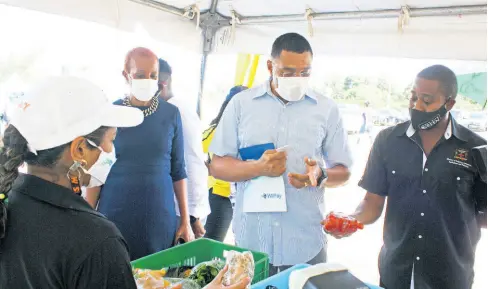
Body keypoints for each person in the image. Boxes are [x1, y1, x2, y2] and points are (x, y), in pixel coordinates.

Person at [328, 65, 487, 289]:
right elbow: (371, 204)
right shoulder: (387, 140)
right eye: (413, 97)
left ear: (449, 103)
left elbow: (484, 215)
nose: (417, 106)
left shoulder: (477, 148)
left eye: (427, 100)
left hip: (450, 275)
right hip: (396, 272)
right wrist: (351, 220)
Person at [209, 32, 352, 275]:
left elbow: (344, 171)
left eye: (304, 72)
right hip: (252, 243)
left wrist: (321, 173)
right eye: (287, 73)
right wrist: (258, 168)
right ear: (269, 67)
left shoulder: (326, 109)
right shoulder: (241, 104)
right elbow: (217, 166)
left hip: (306, 243)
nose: (296, 79)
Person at [0, 76, 144, 288]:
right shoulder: (97, 240)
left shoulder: (7, 200)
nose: (110, 152)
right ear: (79, 149)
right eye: (110, 141)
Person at [85, 47, 194, 261]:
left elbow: (178, 170)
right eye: (140, 75)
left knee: (158, 274)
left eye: (153, 75)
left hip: (159, 212)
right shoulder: (110, 112)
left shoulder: (170, 114)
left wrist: (185, 221)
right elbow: (96, 169)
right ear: (126, 75)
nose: (148, 80)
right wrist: (86, 217)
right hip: (116, 209)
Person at [158, 58, 210, 238]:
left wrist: (191, 216)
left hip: (182, 208)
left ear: (161, 85)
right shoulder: (180, 106)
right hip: (183, 205)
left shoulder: (173, 112)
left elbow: (187, 162)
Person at [203, 86, 248, 242]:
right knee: (212, 243)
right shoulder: (214, 131)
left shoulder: (252, 132)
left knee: (243, 244)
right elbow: (195, 157)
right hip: (221, 195)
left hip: (246, 196)